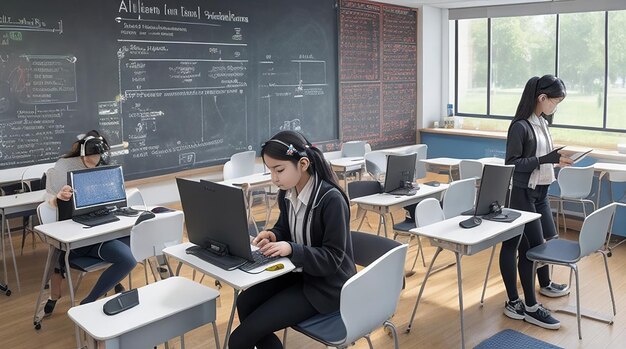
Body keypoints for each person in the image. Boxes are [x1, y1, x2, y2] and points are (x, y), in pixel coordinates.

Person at [228, 131, 356, 349]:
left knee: (239, 339)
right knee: (244, 302)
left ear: (303, 164)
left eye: (279, 170)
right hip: (299, 274)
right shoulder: (286, 192)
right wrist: (274, 235)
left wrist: (291, 248)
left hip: (326, 287)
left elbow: (333, 258)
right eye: (270, 170)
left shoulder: (330, 200)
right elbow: (284, 228)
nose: (274, 178)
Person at [501, 75, 573, 330]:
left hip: (541, 192)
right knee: (530, 249)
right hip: (522, 193)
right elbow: (512, 164)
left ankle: (545, 284)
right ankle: (528, 306)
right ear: (542, 98)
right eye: (554, 102)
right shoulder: (520, 126)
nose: (555, 107)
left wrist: (556, 160)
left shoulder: (542, 122)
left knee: (546, 241)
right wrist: (546, 160)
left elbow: (542, 157)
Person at [40, 130, 136, 317]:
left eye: (101, 154)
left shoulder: (101, 164)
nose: (98, 158)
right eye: (94, 154)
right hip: (79, 236)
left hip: (100, 227)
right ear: (84, 151)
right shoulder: (65, 166)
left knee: (135, 242)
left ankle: (113, 280)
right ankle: (87, 304)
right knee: (127, 259)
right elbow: (49, 198)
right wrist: (57, 198)